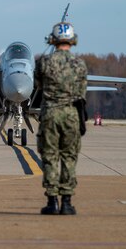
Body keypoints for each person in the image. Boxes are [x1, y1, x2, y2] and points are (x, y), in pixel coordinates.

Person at [35, 22, 87, 215]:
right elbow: (82, 93)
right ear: (72, 40)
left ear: (53, 40)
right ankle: (67, 202)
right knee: (69, 157)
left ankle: (51, 202)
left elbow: (38, 85)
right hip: (71, 115)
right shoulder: (80, 64)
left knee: (50, 156)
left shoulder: (44, 62)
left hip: (50, 114)